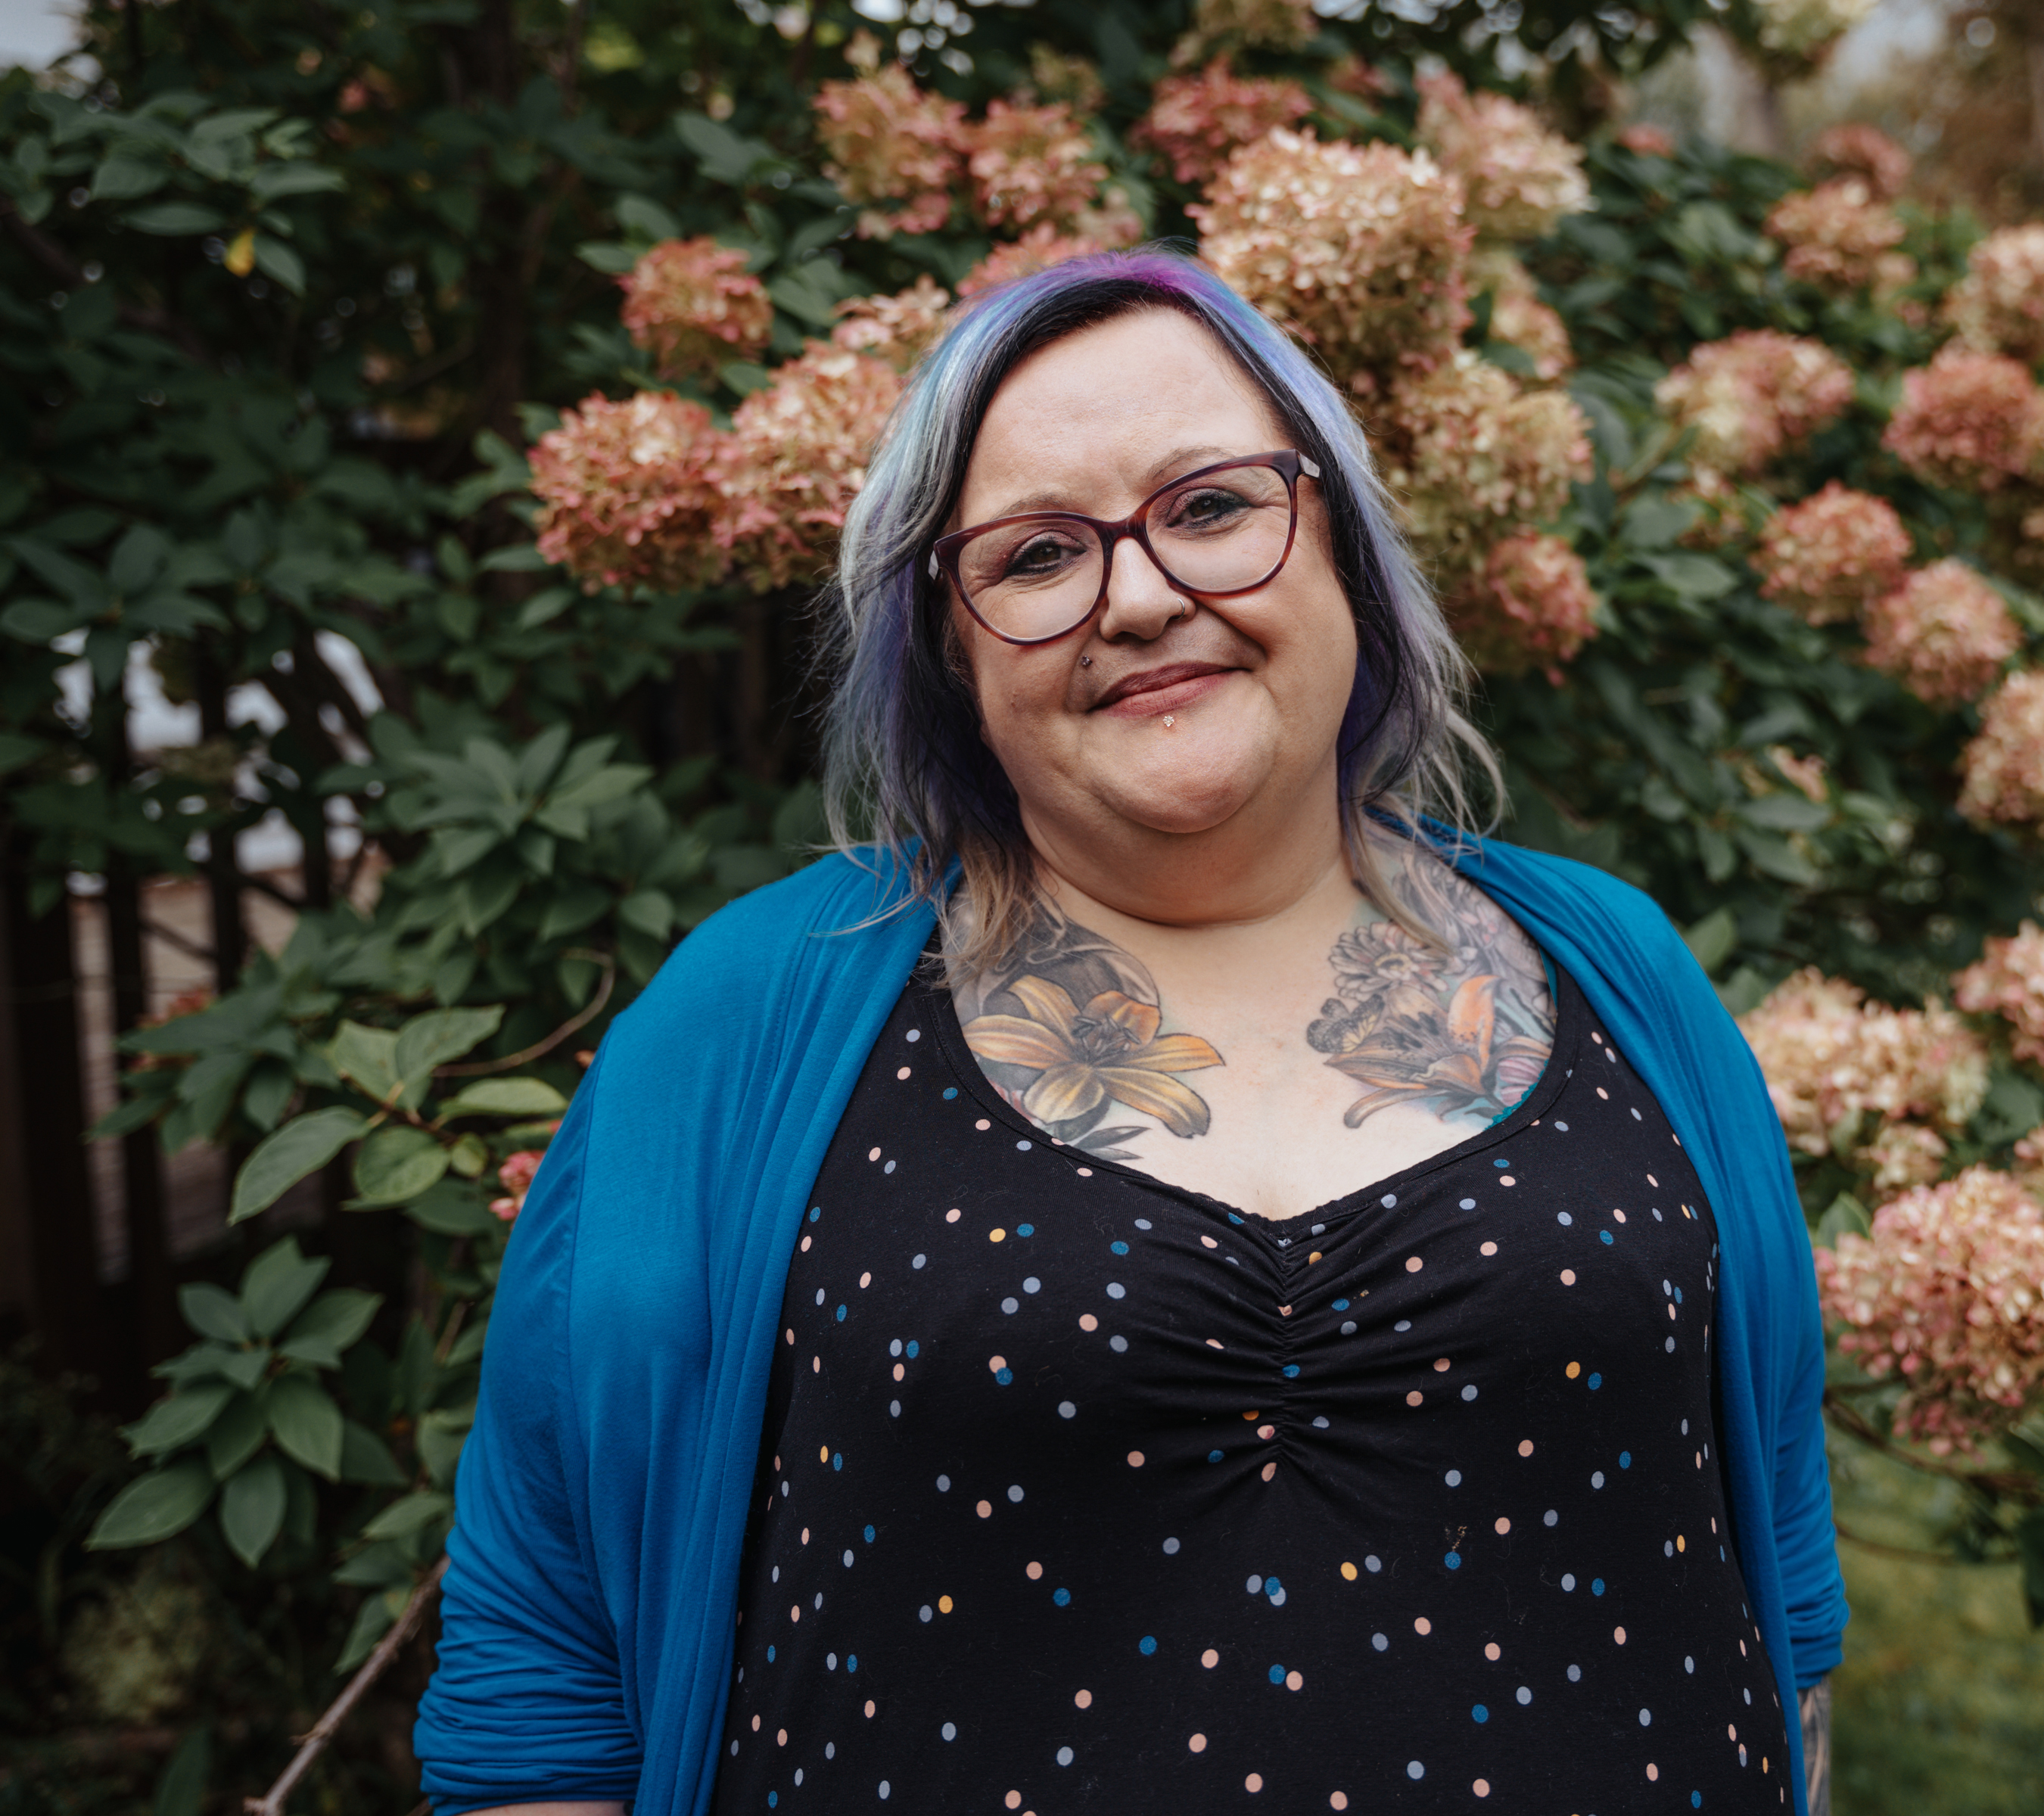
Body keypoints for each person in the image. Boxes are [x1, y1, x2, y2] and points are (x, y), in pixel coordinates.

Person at [415, 248, 1845, 1816]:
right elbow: (540, 1683)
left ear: (1345, 550)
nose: (1146, 593)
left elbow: (1778, 1586)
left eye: (1214, 506)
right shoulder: (737, 1026)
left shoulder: (1619, 969)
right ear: (949, 651)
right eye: (1036, 555)